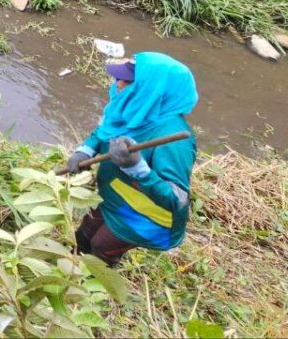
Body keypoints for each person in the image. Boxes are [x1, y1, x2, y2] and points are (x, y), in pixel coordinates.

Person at [65, 52, 198, 267]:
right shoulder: (133, 107)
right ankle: (70, 267)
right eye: (119, 78)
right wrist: (85, 151)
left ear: (155, 91)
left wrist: (137, 168)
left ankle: (95, 283)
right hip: (113, 197)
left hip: (145, 216)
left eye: (128, 82)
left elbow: (177, 199)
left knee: (101, 248)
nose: (118, 84)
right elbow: (104, 130)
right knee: (83, 235)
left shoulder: (174, 140)